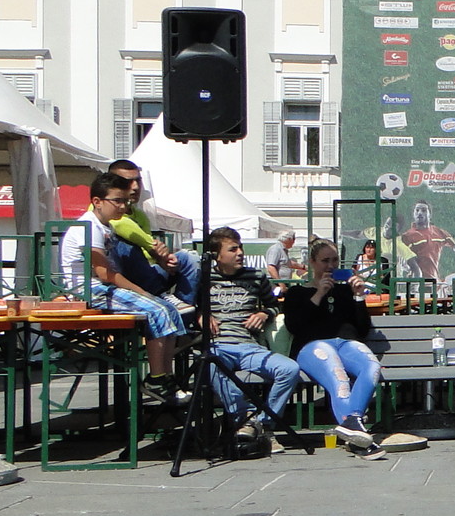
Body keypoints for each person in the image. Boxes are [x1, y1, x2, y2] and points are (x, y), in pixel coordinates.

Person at [59, 171, 187, 403]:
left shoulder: (105, 226)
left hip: (101, 288)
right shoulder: (89, 227)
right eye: (117, 201)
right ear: (97, 201)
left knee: (169, 310)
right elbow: (104, 273)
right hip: (89, 291)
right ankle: (156, 378)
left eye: (125, 201)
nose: (123, 206)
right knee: (157, 309)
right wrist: (141, 292)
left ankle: (165, 376)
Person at [282, 237, 384, 460]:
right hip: (313, 346)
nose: (330, 266)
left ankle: (352, 426)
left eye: (335, 260)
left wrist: (358, 297)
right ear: (312, 262)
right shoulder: (297, 293)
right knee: (339, 378)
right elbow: (294, 326)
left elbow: (362, 329)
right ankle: (359, 437)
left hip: (346, 343)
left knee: (371, 366)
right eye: (324, 261)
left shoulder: (344, 292)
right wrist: (318, 294)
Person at [202, 226, 300, 451]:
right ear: (217, 255)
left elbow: (274, 305)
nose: (240, 253)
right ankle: (246, 418)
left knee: (289, 369)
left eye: (240, 248)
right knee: (211, 366)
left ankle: (262, 424)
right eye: (232, 249)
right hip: (219, 345)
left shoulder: (256, 277)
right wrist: (201, 315)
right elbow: (189, 306)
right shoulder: (204, 278)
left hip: (249, 346)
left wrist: (264, 314)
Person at [105, 158, 198, 305]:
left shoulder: (140, 214)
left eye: (138, 181)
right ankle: (160, 295)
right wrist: (151, 246)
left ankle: (183, 309)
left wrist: (161, 257)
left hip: (149, 270)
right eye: (127, 182)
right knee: (125, 242)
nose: (135, 187)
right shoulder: (101, 207)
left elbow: (150, 253)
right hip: (123, 277)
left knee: (189, 258)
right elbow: (120, 224)